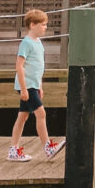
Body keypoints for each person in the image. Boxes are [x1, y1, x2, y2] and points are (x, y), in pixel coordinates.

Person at [8, 9, 65, 161]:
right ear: (33, 25)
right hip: (27, 86)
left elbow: (38, 67)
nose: (45, 27)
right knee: (41, 114)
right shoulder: (26, 43)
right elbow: (19, 66)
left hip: (34, 85)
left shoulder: (38, 43)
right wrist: (24, 89)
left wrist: (40, 86)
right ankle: (48, 147)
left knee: (22, 117)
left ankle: (13, 149)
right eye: (43, 25)